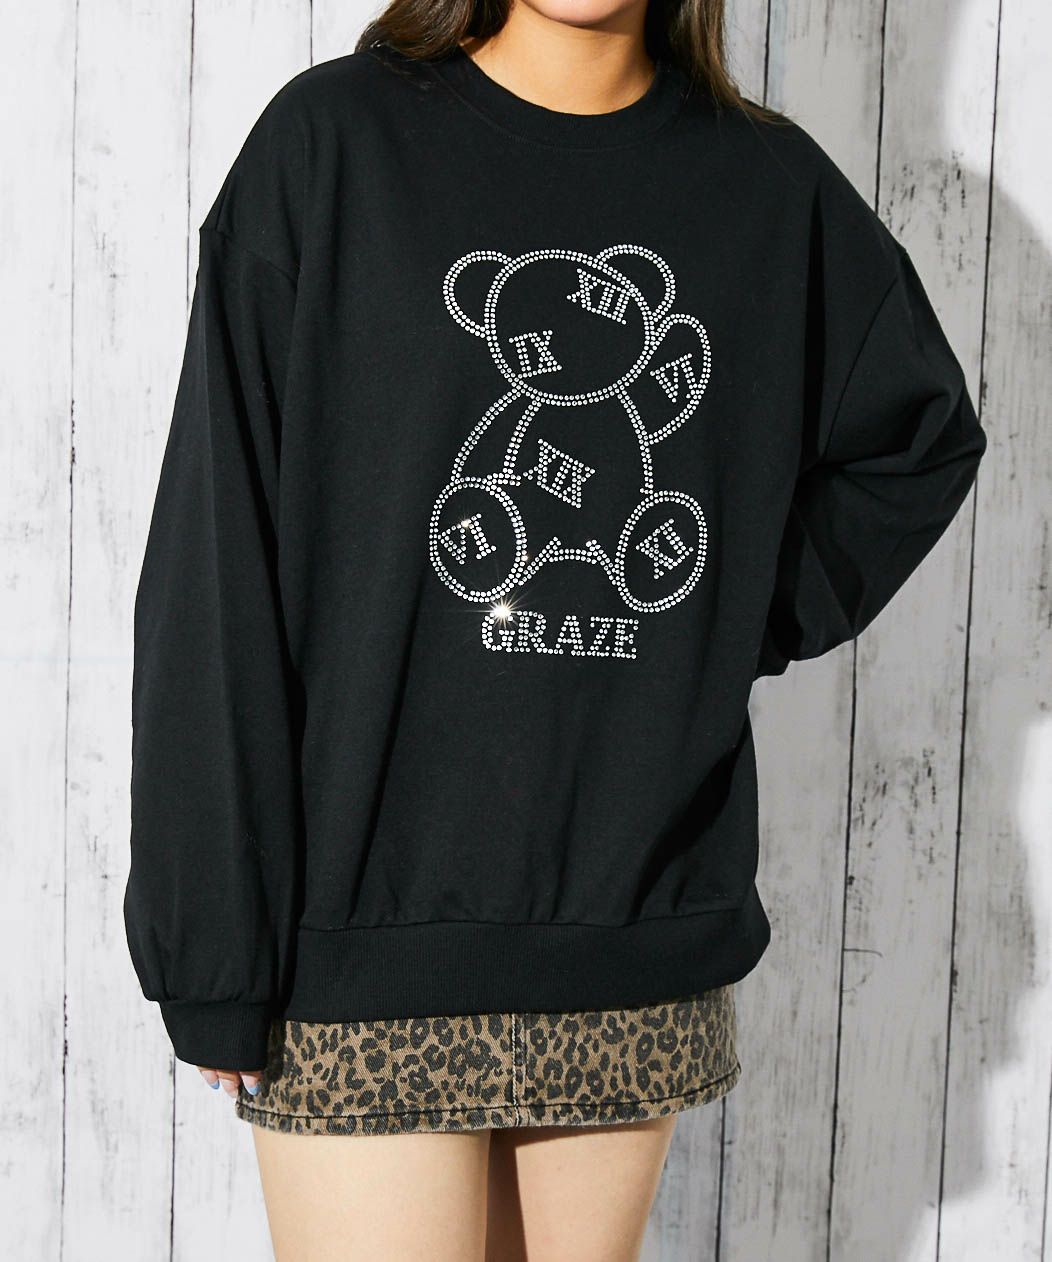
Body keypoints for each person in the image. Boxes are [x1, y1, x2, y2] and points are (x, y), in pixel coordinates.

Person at [122, 0, 988, 1254]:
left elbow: (917, 439)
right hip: (355, 944)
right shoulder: (332, 147)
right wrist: (212, 944)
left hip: (626, 935)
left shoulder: (765, 190)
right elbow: (215, 560)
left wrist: (718, 619)